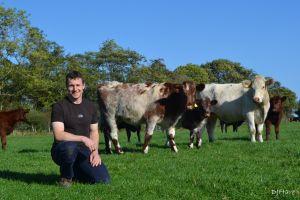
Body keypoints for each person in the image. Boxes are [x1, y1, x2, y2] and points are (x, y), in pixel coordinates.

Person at [51, 70, 110, 187]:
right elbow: (59, 135)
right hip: (62, 149)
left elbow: (94, 131)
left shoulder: (91, 107)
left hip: (84, 151)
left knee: (103, 180)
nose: (75, 89)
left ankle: (76, 171)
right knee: (70, 147)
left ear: (83, 86)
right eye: (71, 85)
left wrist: (95, 152)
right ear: (67, 87)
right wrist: (82, 138)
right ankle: (66, 178)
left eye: (78, 85)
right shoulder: (59, 106)